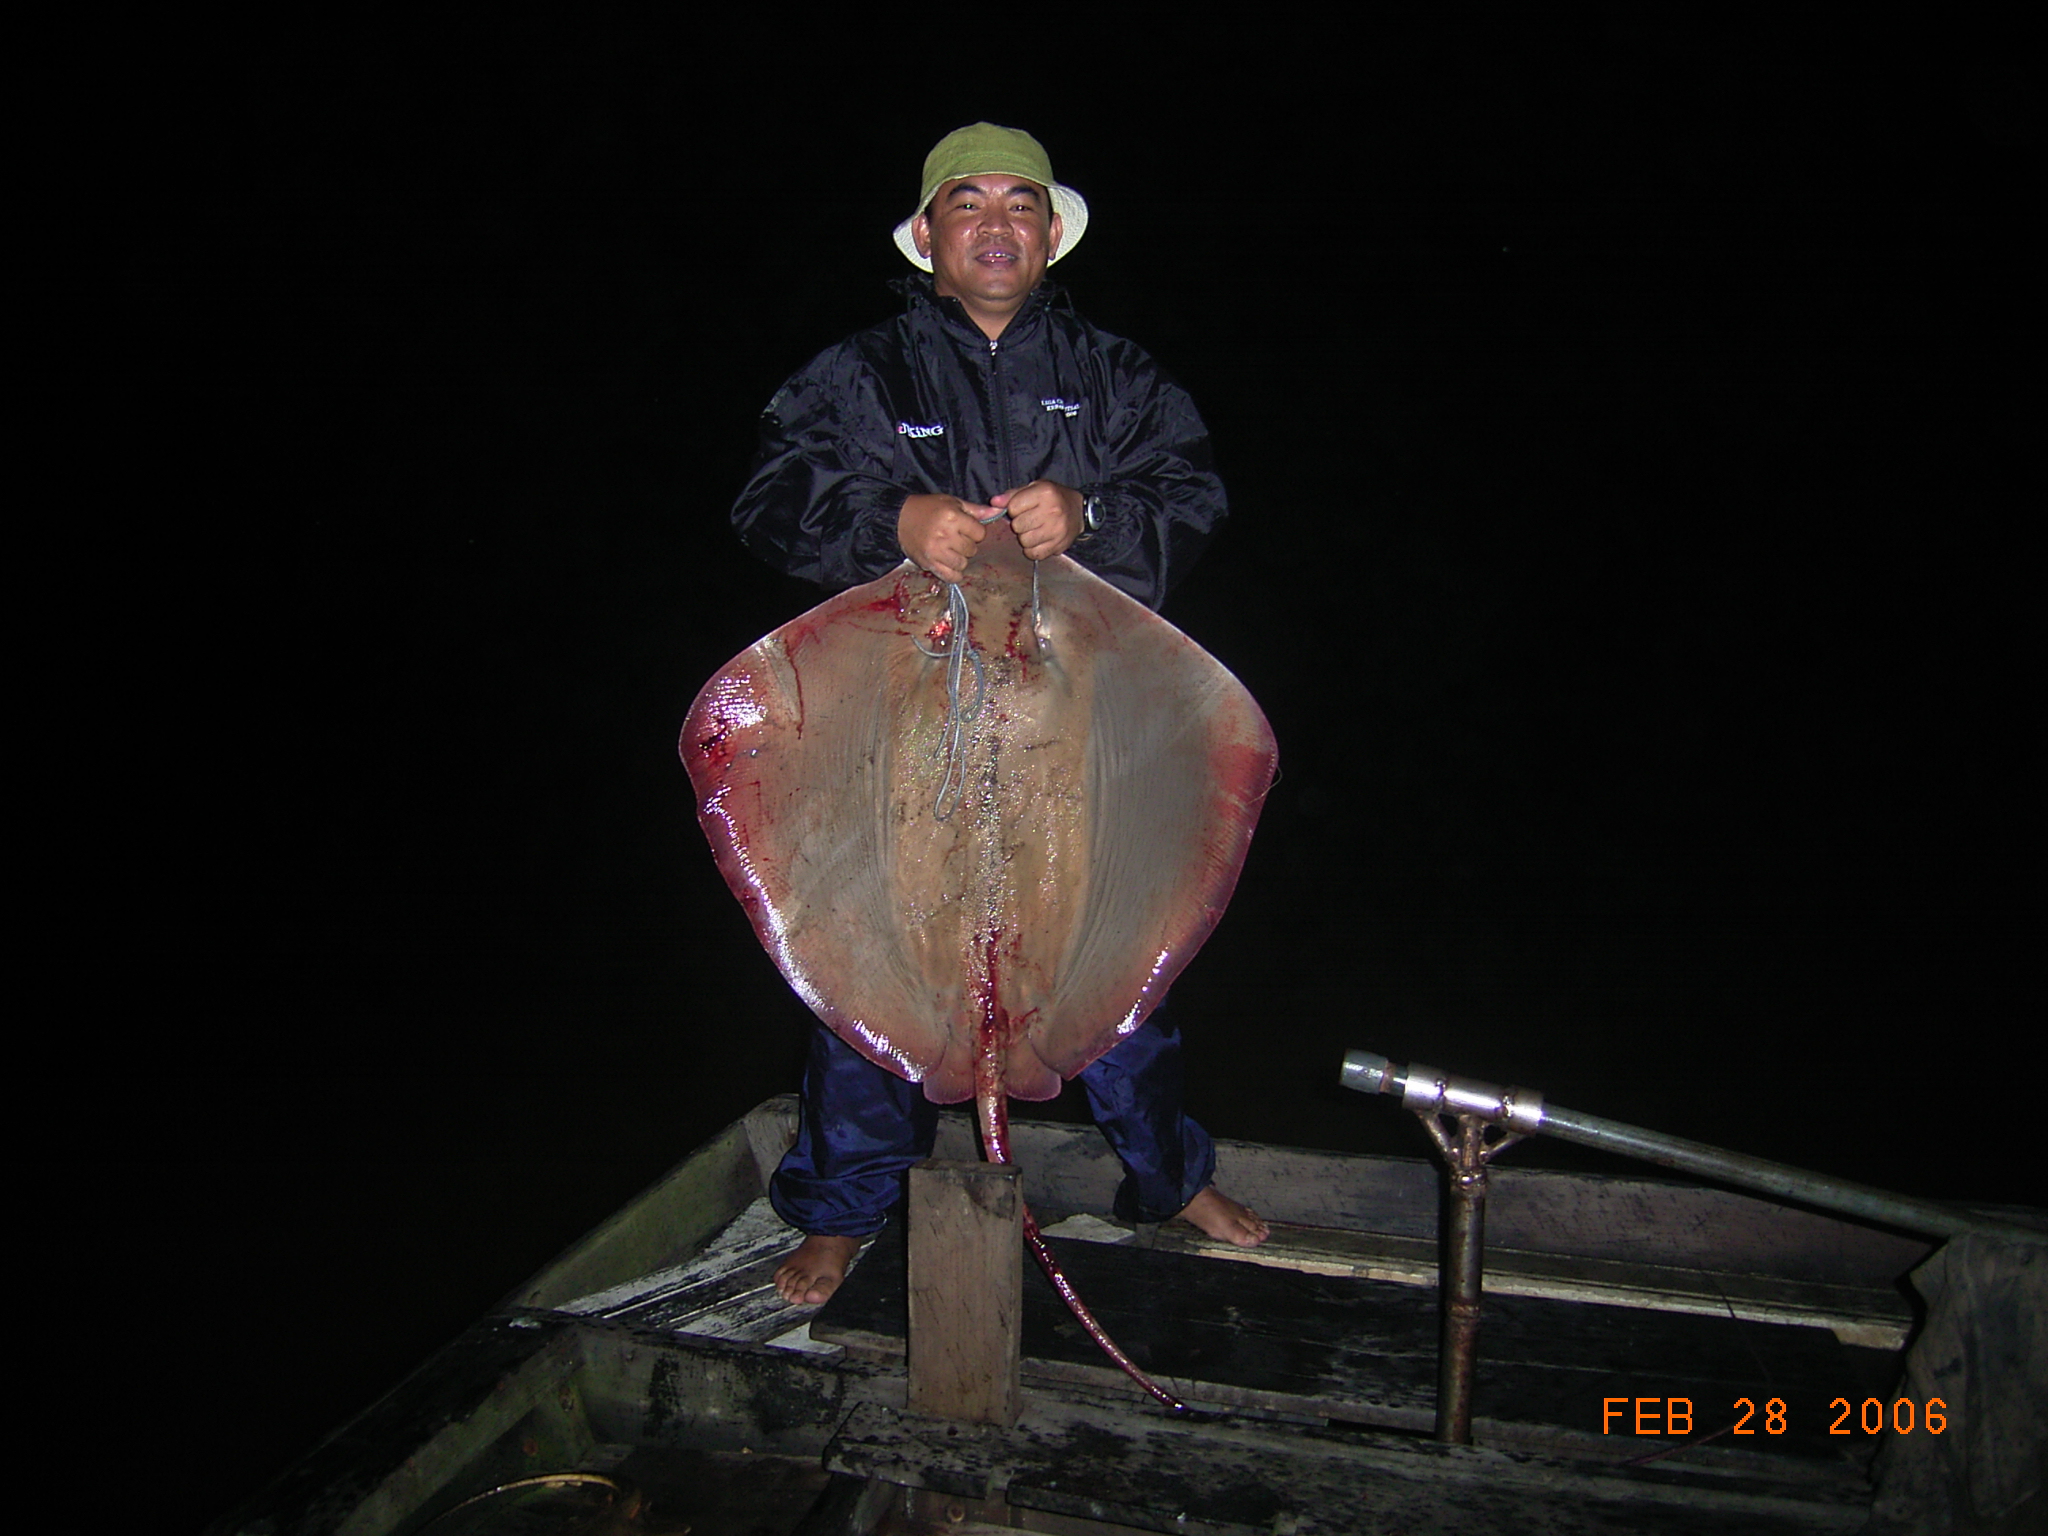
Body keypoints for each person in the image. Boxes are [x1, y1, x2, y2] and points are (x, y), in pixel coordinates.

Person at [730, 123, 1268, 1306]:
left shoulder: (1118, 378)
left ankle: (1167, 1172)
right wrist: (891, 521)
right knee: (873, 960)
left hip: (1075, 734)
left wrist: (1090, 517)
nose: (992, 225)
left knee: (1112, 958)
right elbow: (769, 496)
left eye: (1017, 205)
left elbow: (1190, 493)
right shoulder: (858, 375)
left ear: (1049, 234)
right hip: (896, 732)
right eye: (965, 203)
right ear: (926, 234)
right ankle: (843, 1205)